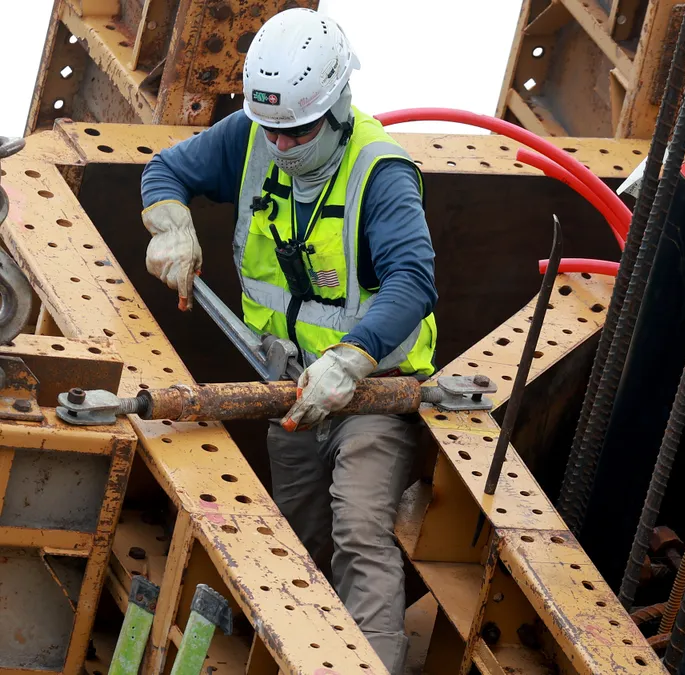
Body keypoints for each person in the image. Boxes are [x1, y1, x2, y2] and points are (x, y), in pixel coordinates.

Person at [139, 8, 435, 671]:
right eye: (270, 129)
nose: (279, 145)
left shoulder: (379, 172)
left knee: (359, 526)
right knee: (294, 545)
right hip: (290, 390)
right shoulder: (251, 134)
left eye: (296, 131)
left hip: (372, 393)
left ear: (337, 107)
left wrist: (352, 358)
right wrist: (171, 223)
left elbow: (413, 282)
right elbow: (166, 170)